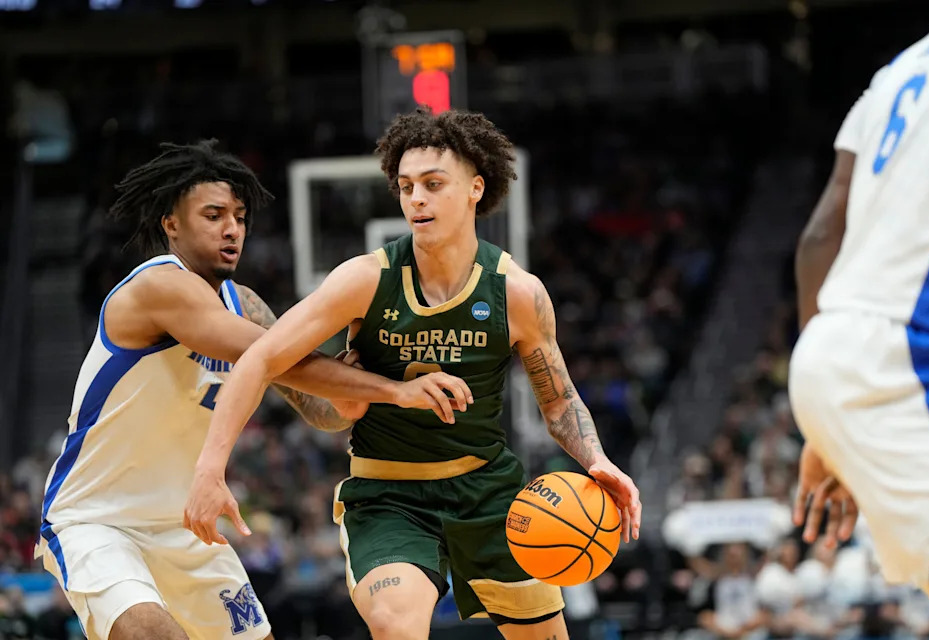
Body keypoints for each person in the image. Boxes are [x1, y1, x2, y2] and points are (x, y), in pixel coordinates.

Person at [183, 108, 642, 640]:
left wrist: (597, 458)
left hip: (488, 493)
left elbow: (559, 403)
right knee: (398, 624)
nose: (415, 198)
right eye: (405, 186)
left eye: (432, 184)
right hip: (389, 496)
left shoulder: (517, 293)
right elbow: (262, 358)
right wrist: (210, 468)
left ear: (475, 188)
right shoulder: (364, 280)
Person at [35, 140, 471, 640]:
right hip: (98, 520)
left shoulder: (245, 304)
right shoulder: (160, 288)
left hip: (184, 523)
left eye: (239, 217)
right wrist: (395, 390)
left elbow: (321, 411)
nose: (232, 229)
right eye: (214, 215)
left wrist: (357, 392)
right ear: (171, 225)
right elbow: (283, 360)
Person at [790, 13, 929, 638]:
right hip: (907, 360)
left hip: (845, 345)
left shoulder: (905, 65)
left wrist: (824, 425)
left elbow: (818, 237)